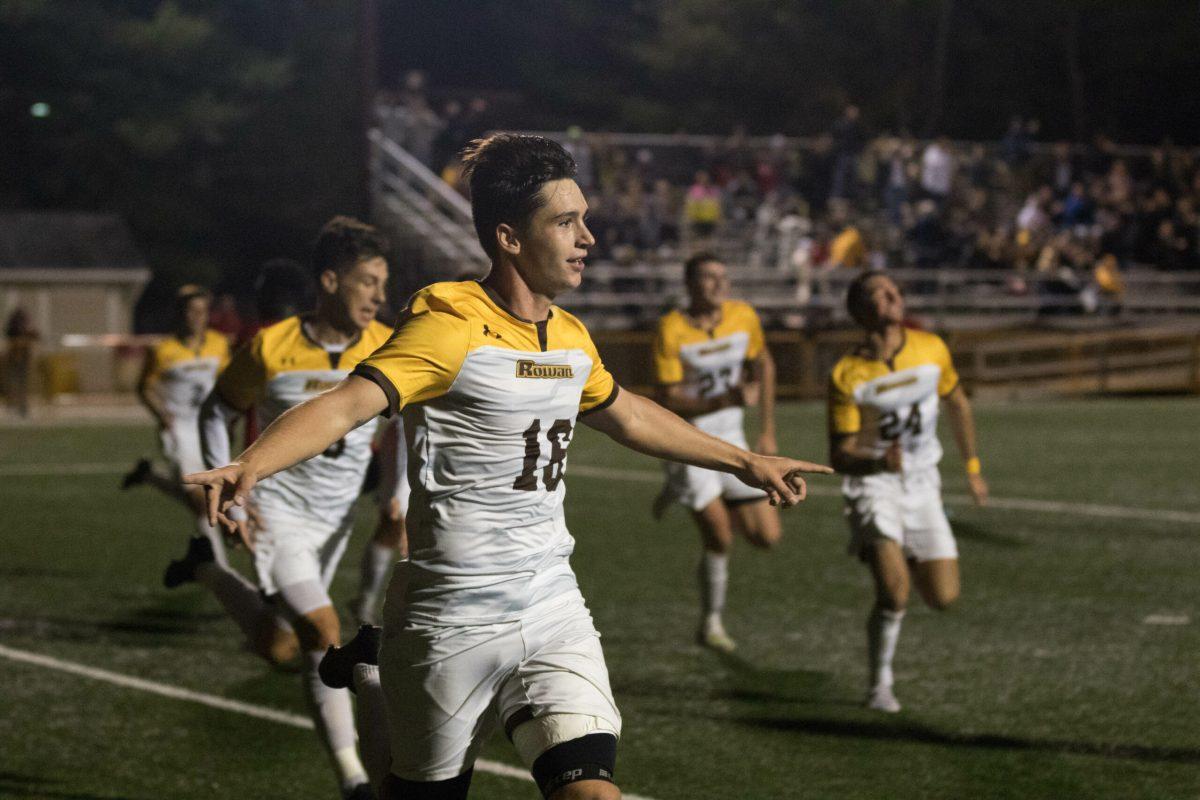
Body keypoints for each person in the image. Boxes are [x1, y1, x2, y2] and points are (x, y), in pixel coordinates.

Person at [186, 133, 831, 800]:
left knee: (590, 792)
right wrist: (250, 464)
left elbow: (631, 415)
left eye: (584, 219)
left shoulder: (571, 335)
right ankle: (373, 675)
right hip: (449, 617)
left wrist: (745, 460)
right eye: (565, 222)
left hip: (552, 602)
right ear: (510, 238)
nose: (588, 239)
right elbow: (348, 404)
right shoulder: (450, 325)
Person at [168, 217, 394, 800]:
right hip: (279, 512)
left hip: (337, 521)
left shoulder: (389, 347)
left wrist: (400, 494)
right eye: (368, 281)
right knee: (324, 631)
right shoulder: (272, 346)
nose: (379, 295)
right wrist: (234, 498)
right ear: (329, 280)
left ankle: (203, 569)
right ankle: (355, 779)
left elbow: (412, 427)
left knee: (281, 647)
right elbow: (216, 411)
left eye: (382, 283)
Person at [827, 271, 988, 713]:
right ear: (861, 312)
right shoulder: (847, 374)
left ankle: (896, 551)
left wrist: (972, 468)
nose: (892, 294)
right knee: (896, 593)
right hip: (874, 485)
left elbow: (957, 402)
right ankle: (880, 685)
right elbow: (840, 455)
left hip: (923, 486)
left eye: (892, 288)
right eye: (878, 292)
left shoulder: (931, 347)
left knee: (943, 597)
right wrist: (878, 461)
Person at [650, 252, 780, 652]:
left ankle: (678, 490)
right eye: (708, 277)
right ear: (689, 285)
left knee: (766, 536)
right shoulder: (671, 329)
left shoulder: (742, 316)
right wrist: (726, 396)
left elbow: (764, 364)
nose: (719, 284)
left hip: (732, 438)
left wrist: (768, 431)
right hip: (687, 443)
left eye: (722, 276)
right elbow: (668, 398)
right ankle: (711, 623)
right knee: (720, 536)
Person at [122, 286, 231, 568]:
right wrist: (161, 413)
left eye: (203, 311)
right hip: (179, 429)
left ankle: (149, 476)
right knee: (200, 499)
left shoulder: (218, 344)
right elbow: (143, 388)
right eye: (191, 311)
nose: (198, 317)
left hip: (208, 428)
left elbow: (226, 383)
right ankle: (217, 565)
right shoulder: (163, 350)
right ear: (180, 315)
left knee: (204, 496)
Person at [350, 414, 409, 626]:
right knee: (394, 521)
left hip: (449, 431)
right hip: (417, 424)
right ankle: (366, 602)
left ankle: (368, 603)